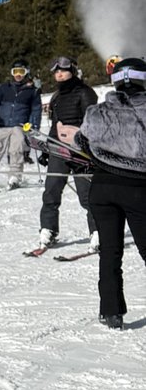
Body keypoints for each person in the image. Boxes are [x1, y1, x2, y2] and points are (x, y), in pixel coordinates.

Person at [73, 56, 146, 327]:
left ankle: (112, 313)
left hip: (102, 189)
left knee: (110, 252)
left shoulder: (98, 111)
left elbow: (82, 140)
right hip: (137, 187)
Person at [32, 56, 98, 254]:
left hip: (81, 151)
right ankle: (48, 229)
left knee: (87, 196)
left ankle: (98, 231)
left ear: (73, 71)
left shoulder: (85, 92)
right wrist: (47, 149)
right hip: (59, 149)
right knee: (51, 191)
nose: (59, 74)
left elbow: (93, 123)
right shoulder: (56, 97)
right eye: (56, 71)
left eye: (63, 70)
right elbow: (55, 125)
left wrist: (90, 149)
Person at [0, 62, 41, 189]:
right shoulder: (4, 88)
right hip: (2, 124)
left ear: (26, 72)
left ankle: (15, 177)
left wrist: (34, 125)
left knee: (16, 151)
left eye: (21, 71)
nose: (18, 75)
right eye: (15, 72)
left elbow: (36, 109)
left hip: (19, 125)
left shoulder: (32, 91)